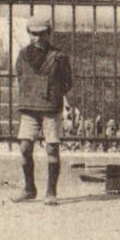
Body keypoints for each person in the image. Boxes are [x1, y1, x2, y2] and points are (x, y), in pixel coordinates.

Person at [13, 15, 73, 205]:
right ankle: (29, 188)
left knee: (52, 148)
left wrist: (53, 95)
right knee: (24, 147)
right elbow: (19, 75)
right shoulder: (23, 55)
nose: (37, 38)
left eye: (41, 34)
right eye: (33, 34)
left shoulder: (59, 57)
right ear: (29, 34)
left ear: (48, 34)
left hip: (50, 108)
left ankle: (51, 192)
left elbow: (67, 82)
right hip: (30, 108)